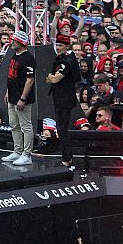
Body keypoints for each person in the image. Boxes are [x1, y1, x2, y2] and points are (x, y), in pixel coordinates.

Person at [46, 32, 81, 166]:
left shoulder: (68, 61)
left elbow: (55, 78)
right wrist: (51, 78)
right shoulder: (61, 59)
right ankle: (66, 157)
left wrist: (51, 77)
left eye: (61, 45)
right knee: (61, 128)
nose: (58, 47)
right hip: (60, 97)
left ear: (67, 46)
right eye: (57, 45)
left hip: (64, 99)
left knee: (62, 129)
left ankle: (67, 159)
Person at [4, 32, 37, 166]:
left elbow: (30, 81)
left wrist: (23, 99)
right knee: (14, 125)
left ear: (21, 42)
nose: (12, 42)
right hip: (12, 96)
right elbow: (12, 77)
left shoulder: (28, 58)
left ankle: (27, 154)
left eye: (14, 40)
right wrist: (8, 92)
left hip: (22, 98)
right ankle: (17, 151)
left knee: (26, 126)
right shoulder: (14, 55)